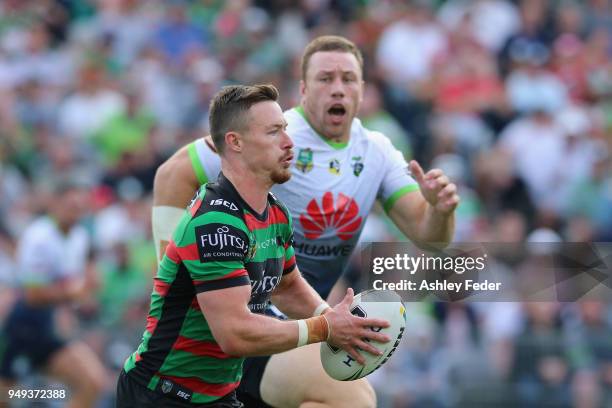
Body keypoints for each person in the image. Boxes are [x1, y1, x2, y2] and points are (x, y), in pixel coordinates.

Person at [153, 36, 459, 407]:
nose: (338, 89)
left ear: (363, 89)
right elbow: (172, 175)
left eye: (348, 79)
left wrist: (441, 210)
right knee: (352, 398)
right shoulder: (275, 137)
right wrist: (173, 280)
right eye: (325, 78)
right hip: (249, 323)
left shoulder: (377, 151)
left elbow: (431, 236)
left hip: (301, 323)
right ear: (302, 89)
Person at [117, 84, 390, 407]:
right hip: (160, 395)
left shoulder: (274, 212)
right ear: (235, 142)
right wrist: (325, 328)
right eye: (274, 132)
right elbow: (235, 334)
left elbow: (287, 287)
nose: (290, 143)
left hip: (218, 396)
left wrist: (335, 319)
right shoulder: (214, 224)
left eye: (286, 131)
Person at [0, 180, 108, 408]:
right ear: (55, 204)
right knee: (10, 396)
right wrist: (75, 292)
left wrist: (85, 291)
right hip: (25, 326)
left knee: (93, 382)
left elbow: (73, 286)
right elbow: (32, 295)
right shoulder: (38, 237)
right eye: (71, 205)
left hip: (51, 326)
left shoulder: (79, 237)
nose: (75, 212)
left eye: (80, 207)